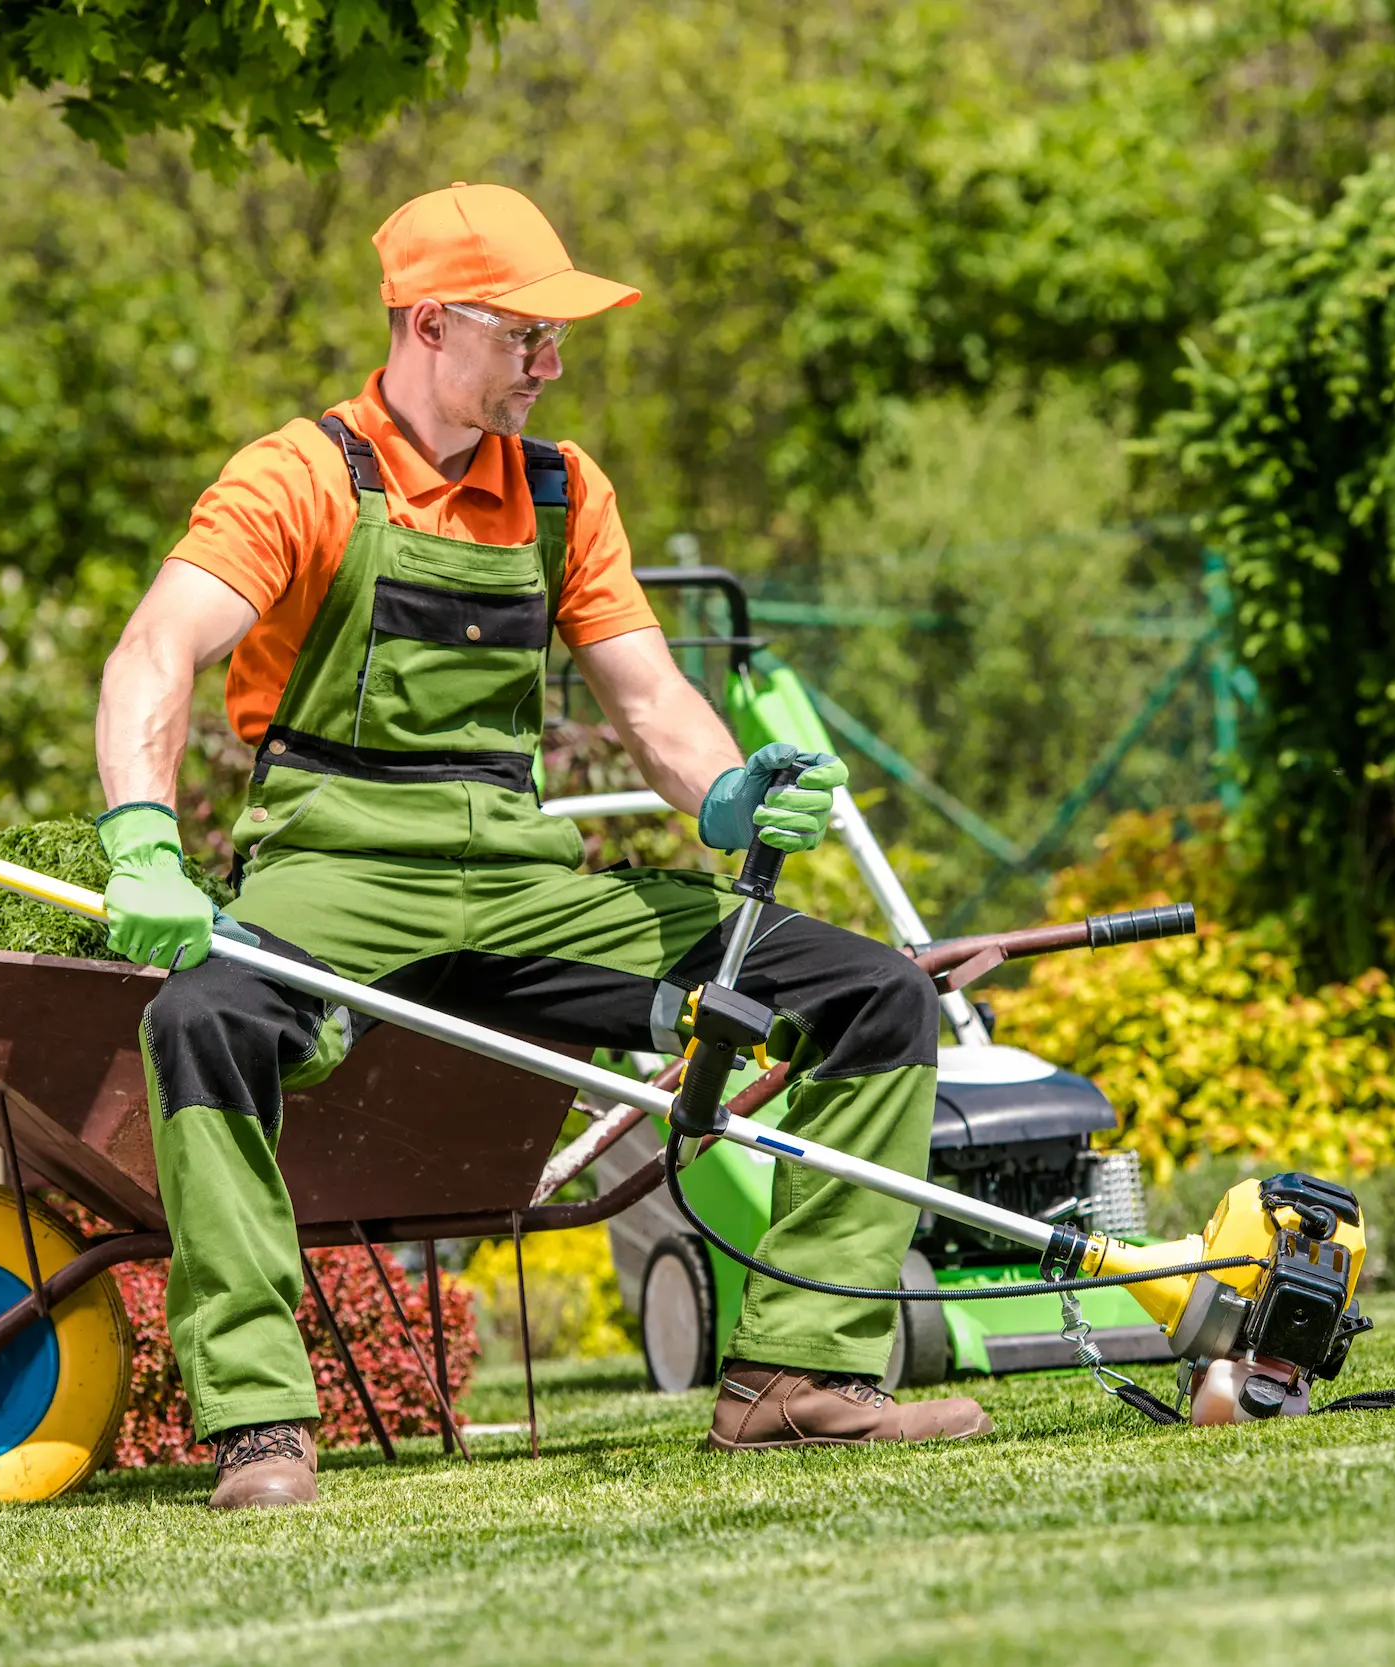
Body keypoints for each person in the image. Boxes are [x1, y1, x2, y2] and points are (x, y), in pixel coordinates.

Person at [94, 183, 990, 1510]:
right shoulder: (296, 478)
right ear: (434, 324)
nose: (552, 364)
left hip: (523, 890)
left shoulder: (566, 491)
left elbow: (648, 701)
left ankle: (794, 1377)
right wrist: (140, 837)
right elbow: (151, 650)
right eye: (528, 337)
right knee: (204, 1015)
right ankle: (263, 1423)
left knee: (875, 993)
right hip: (335, 876)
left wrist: (733, 789)